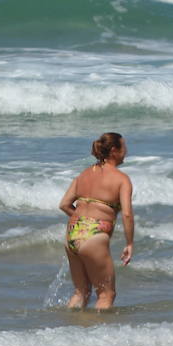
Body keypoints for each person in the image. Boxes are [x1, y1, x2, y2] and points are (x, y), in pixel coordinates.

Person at [58, 132, 135, 310]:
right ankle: (98, 335)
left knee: (81, 291)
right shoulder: (122, 179)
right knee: (106, 294)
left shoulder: (84, 174)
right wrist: (129, 243)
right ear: (115, 150)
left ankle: (68, 331)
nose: (127, 151)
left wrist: (83, 221)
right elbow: (127, 215)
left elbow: (64, 204)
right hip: (94, 235)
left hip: (72, 231)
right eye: (124, 147)